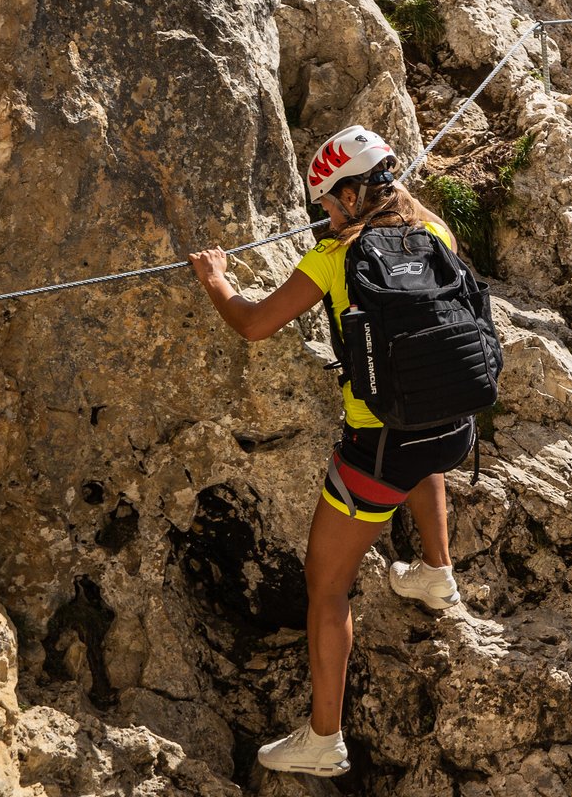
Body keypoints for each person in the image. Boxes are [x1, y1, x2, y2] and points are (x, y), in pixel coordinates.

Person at [187, 126, 475, 777]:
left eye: (326, 203)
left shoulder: (334, 259)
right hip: (455, 430)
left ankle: (323, 739)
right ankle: (437, 572)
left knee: (327, 586)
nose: (324, 214)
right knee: (422, 439)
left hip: (376, 452)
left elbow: (254, 323)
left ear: (349, 194)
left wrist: (215, 281)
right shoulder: (436, 232)